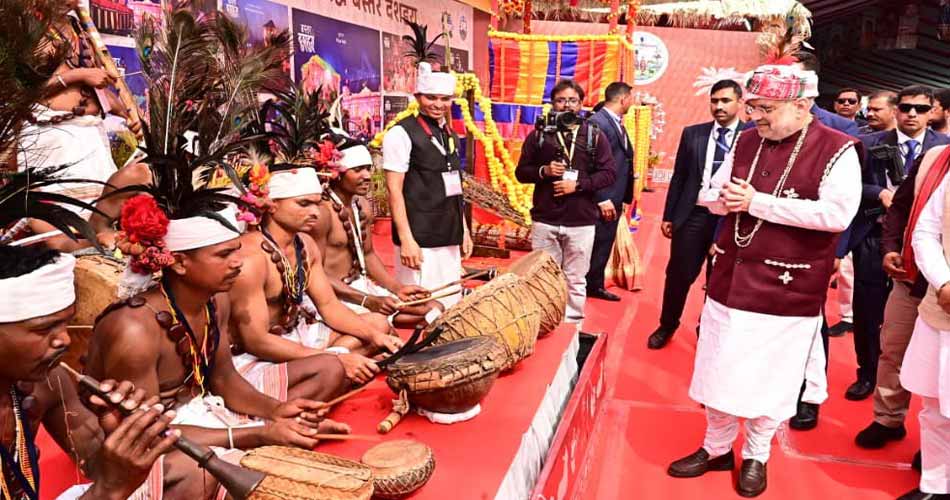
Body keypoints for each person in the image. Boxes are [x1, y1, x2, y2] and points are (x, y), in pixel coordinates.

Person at [667, 64, 861, 497]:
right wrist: (722, 200)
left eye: (766, 109)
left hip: (787, 288)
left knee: (770, 378)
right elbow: (710, 191)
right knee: (717, 369)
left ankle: (757, 455)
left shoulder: (838, 148)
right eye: (753, 107)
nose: (755, 117)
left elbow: (837, 215)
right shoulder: (746, 139)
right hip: (731, 279)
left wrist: (759, 203)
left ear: (802, 106)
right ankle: (716, 447)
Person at [0, 245, 180, 500]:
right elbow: (106, 485)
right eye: (44, 329)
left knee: (186, 475)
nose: (64, 340)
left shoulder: (49, 380)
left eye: (66, 323)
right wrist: (108, 489)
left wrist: (119, 435)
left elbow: (94, 464)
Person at [229, 163, 400, 391]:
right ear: (271, 204)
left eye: (317, 203)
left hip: (296, 335)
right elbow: (256, 341)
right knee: (331, 371)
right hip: (259, 353)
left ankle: (335, 369)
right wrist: (336, 358)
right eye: (304, 203)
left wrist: (375, 336)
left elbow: (329, 305)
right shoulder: (250, 259)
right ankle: (333, 370)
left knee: (378, 324)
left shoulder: (305, 244)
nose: (315, 213)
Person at [845, 85, 949, 402]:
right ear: (896, 110)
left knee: (917, 325)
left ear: (933, 111)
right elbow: (849, 184)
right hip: (875, 236)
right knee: (868, 311)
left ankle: (915, 392)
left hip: (929, 251)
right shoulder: (869, 143)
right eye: (906, 108)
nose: (912, 114)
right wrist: (879, 193)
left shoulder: (941, 149)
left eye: (921, 108)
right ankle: (867, 373)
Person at [17, 0, 141, 251]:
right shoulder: (27, 27)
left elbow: (96, 87)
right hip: (53, 136)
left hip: (90, 135)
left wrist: (126, 111)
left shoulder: (78, 28)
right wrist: (79, 75)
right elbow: (23, 92)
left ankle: (98, 252)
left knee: (100, 214)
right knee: (57, 223)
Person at [854, 143, 950, 459]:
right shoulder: (934, 158)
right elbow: (901, 207)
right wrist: (891, 247)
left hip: (946, 295)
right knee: (893, 349)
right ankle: (888, 418)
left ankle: (936, 446)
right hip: (912, 276)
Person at [383, 24, 472, 309]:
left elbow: (455, 186)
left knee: (450, 303)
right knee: (421, 308)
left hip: (448, 233)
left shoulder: (448, 133)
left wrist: (463, 229)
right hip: (419, 236)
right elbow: (394, 191)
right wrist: (406, 239)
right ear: (418, 97)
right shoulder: (401, 133)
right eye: (431, 98)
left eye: (444, 99)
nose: (438, 104)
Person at [514, 79, 616, 325]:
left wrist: (578, 184)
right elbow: (521, 172)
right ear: (552, 104)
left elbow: (609, 173)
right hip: (545, 219)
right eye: (561, 100)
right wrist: (544, 171)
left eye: (572, 100)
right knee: (541, 277)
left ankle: (572, 327)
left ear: (581, 104)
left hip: (581, 221)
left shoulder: (594, 135)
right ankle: (541, 323)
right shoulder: (539, 135)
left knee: (575, 278)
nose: (567, 105)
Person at [650, 79, 743, 349]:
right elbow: (679, 176)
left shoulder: (750, 137)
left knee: (719, 279)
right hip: (693, 215)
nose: (719, 106)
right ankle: (667, 325)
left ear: (739, 102)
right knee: (678, 275)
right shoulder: (693, 134)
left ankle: (708, 329)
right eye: (714, 101)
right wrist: (669, 215)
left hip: (729, 218)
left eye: (725, 101)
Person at [312, 140, 442, 328]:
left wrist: (398, 288)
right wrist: (367, 300)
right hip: (333, 295)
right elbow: (315, 274)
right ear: (336, 175)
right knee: (388, 323)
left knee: (434, 308)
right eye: (357, 170)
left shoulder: (362, 205)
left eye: (368, 168)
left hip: (361, 287)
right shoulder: (322, 213)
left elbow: (368, 254)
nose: (367, 176)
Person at [897, 168, 950, 500]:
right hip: (942, 307)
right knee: (934, 404)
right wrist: (943, 282)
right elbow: (926, 231)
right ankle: (935, 484)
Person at [586, 81, 635, 303]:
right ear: (623, 99)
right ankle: (585, 286)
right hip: (602, 198)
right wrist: (602, 197)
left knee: (603, 243)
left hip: (614, 195)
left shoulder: (615, 122)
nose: (632, 103)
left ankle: (594, 284)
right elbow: (590, 163)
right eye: (631, 99)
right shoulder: (598, 122)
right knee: (594, 243)